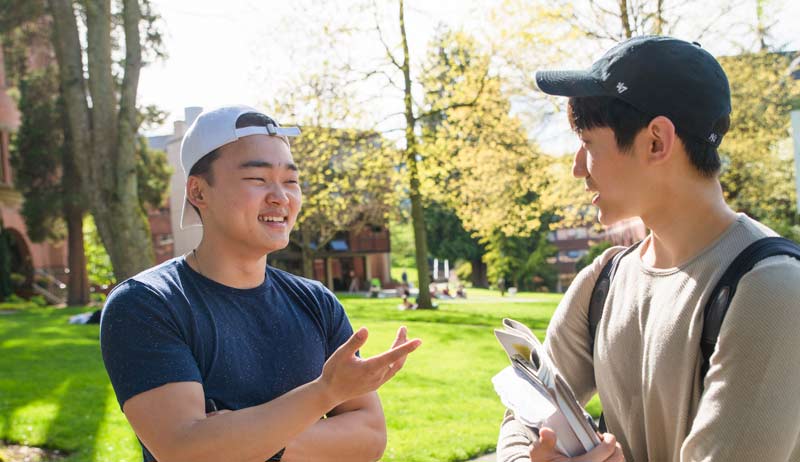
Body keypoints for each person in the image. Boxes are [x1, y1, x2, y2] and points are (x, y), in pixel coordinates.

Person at [497, 36, 800, 462]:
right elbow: (523, 415)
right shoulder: (602, 281)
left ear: (657, 141)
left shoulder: (773, 291)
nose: (576, 168)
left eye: (588, 144)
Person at [100, 105, 421, 462]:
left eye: (291, 181)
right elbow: (186, 450)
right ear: (198, 192)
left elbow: (370, 437)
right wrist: (324, 394)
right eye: (258, 179)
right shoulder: (147, 305)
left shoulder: (317, 302)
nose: (281, 196)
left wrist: (243, 439)